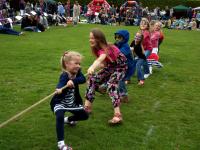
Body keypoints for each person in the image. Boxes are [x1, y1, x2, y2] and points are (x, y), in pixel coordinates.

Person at [84, 28, 127, 124]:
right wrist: (97, 68)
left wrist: (92, 67)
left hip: (120, 67)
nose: (90, 40)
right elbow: (103, 63)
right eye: (89, 38)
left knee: (112, 85)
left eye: (92, 38)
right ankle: (87, 107)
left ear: (99, 39)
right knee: (92, 79)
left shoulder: (106, 47)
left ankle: (118, 115)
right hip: (111, 67)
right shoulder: (97, 49)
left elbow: (100, 59)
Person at [50, 51, 89, 150]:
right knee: (59, 116)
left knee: (84, 116)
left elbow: (83, 79)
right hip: (60, 102)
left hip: (72, 102)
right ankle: (61, 144)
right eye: (76, 63)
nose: (78, 66)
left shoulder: (77, 73)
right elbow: (60, 84)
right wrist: (59, 89)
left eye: (79, 64)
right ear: (67, 64)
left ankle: (67, 120)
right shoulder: (64, 75)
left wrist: (73, 81)